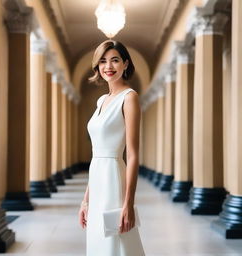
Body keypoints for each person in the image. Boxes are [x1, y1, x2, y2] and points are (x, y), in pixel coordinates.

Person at [78, 40, 145, 256]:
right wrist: (86, 199)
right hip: (97, 177)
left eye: (115, 60)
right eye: (103, 61)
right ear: (97, 67)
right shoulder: (101, 101)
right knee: (99, 240)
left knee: (117, 240)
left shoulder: (129, 98)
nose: (108, 66)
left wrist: (129, 203)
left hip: (114, 178)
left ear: (125, 64)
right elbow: (97, 155)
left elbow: (133, 155)